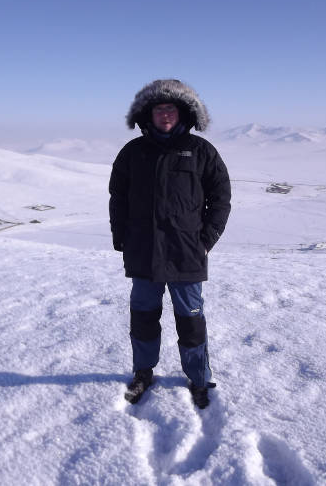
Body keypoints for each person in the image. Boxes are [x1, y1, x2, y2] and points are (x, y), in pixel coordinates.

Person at [109, 79, 231, 408]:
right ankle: (143, 372)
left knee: (191, 320)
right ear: (148, 114)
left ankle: (199, 378)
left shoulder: (201, 151)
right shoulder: (133, 152)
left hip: (186, 254)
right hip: (143, 253)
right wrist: (121, 237)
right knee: (143, 317)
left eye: (171, 108)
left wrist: (206, 240)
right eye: (159, 109)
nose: (165, 114)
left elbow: (221, 199)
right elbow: (117, 197)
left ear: (183, 113)